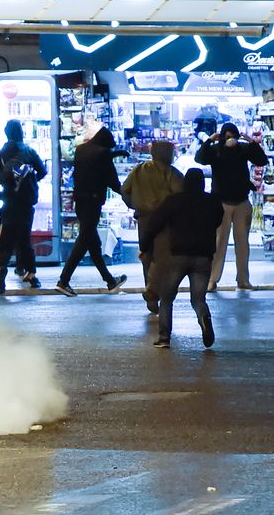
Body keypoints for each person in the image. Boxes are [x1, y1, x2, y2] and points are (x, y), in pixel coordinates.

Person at [139, 169, 224, 349]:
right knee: (198, 299)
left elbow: (154, 224)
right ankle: (204, 319)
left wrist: (145, 247)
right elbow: (218, 220)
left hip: (177, 255)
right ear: (203, 183)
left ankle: (164, 338)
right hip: (203, 256)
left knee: (167, 297)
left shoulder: (174, 201)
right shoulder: (212, 202)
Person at [194, 122, 268, 291]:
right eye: (226, 137)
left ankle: (243, 280)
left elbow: (261, 160)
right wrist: (209, 141)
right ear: (221, 137)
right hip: (221, 203)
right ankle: (212, 280)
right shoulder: (215, 150)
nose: (230, 140)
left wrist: (251, 142)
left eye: (232, 136)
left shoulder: (243, 149)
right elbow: (199, 159)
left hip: (241, 201)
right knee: (219, 243)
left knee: (242, 244)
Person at [55, 127, 128, 297]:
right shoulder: (103, 155)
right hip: (93, 203)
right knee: (83, 242)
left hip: (79, 202)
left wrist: (114, 154)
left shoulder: (81, 150)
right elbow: (112, 181)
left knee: (94, 245)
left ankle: (110, 281)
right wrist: (130, 195)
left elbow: (96, 159)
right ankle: (63, 281)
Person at [0, 120, 47, 294]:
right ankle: (32, 274)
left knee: (4, 240)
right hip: (26, 203)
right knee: (25, 240)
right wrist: (30, 179)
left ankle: (2, 268)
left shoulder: (2, 154)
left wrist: (1, 182)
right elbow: (43, 171)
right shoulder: (29, 151)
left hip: (9, 202)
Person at [121, 141, 184, 313]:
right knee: (163, 257)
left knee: (147, 256)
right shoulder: (172, 173)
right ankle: (158, 292)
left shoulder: (139, 170)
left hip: (144, 219)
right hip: (165, 221)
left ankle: (151, 291)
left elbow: (125, 190)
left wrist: (136, 206)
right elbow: (181, 195)